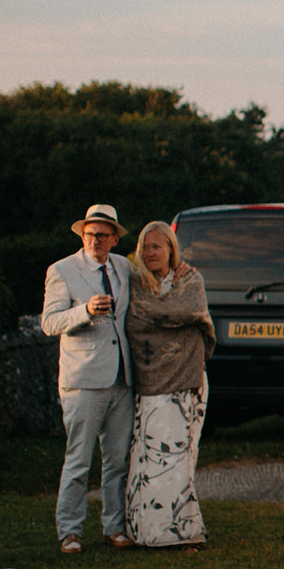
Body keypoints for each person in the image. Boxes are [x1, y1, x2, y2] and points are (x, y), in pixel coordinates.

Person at [41, 204, 136, 555]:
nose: (95, 240)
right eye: (89, 234)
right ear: (82, 236)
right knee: (79, 459)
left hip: (122, 379)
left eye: (102, 234)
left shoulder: (124, 266)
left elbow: (157, 274)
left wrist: (181, 270)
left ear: (114, 238)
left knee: (118, 460)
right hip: (83, 379)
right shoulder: (63, 270)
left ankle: (114, 527)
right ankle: (70, 532)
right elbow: (49, 323)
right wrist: (84, 311)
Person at [124, 221, 215, 549]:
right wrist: (171, 322)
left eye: (157, 247)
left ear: (171, 249)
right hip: (151, 382)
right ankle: (147, 532)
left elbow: (192, 312)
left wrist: (163, 319)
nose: (150, 253)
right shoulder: (134, 284)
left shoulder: (190, 279)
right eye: (145, 247)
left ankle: (182, 531)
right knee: (150, 459)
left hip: (186, 381)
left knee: (178, 458)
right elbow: (137, 323)